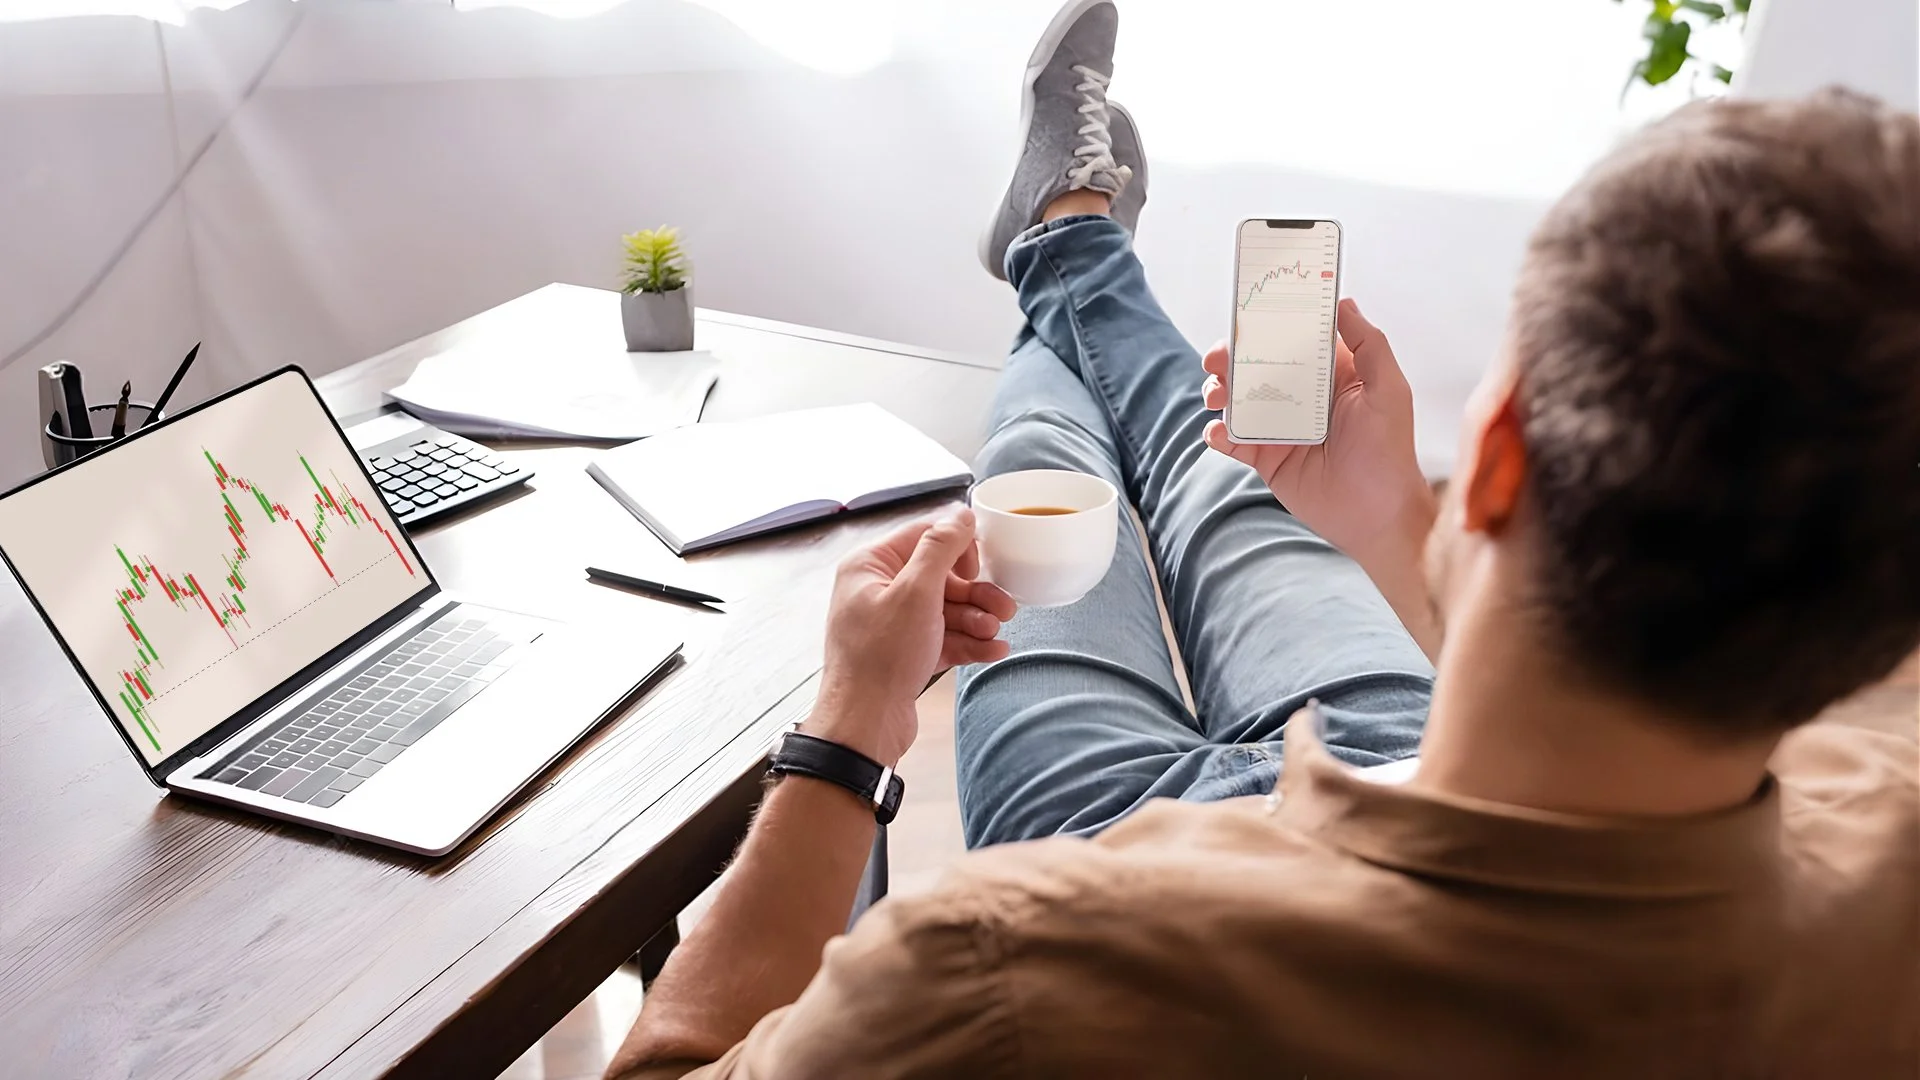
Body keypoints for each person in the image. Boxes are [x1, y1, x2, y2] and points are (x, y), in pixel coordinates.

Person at [608, 1, 1920, 1075]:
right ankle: (1067, 239)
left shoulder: (999, 975)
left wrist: (845, 733)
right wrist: (1393, 518)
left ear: (1503, 451)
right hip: (1417, 741)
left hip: (1115, 841)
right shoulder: (1892, 879)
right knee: (1223, 464)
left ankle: (1064, 247)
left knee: (1064, 476)